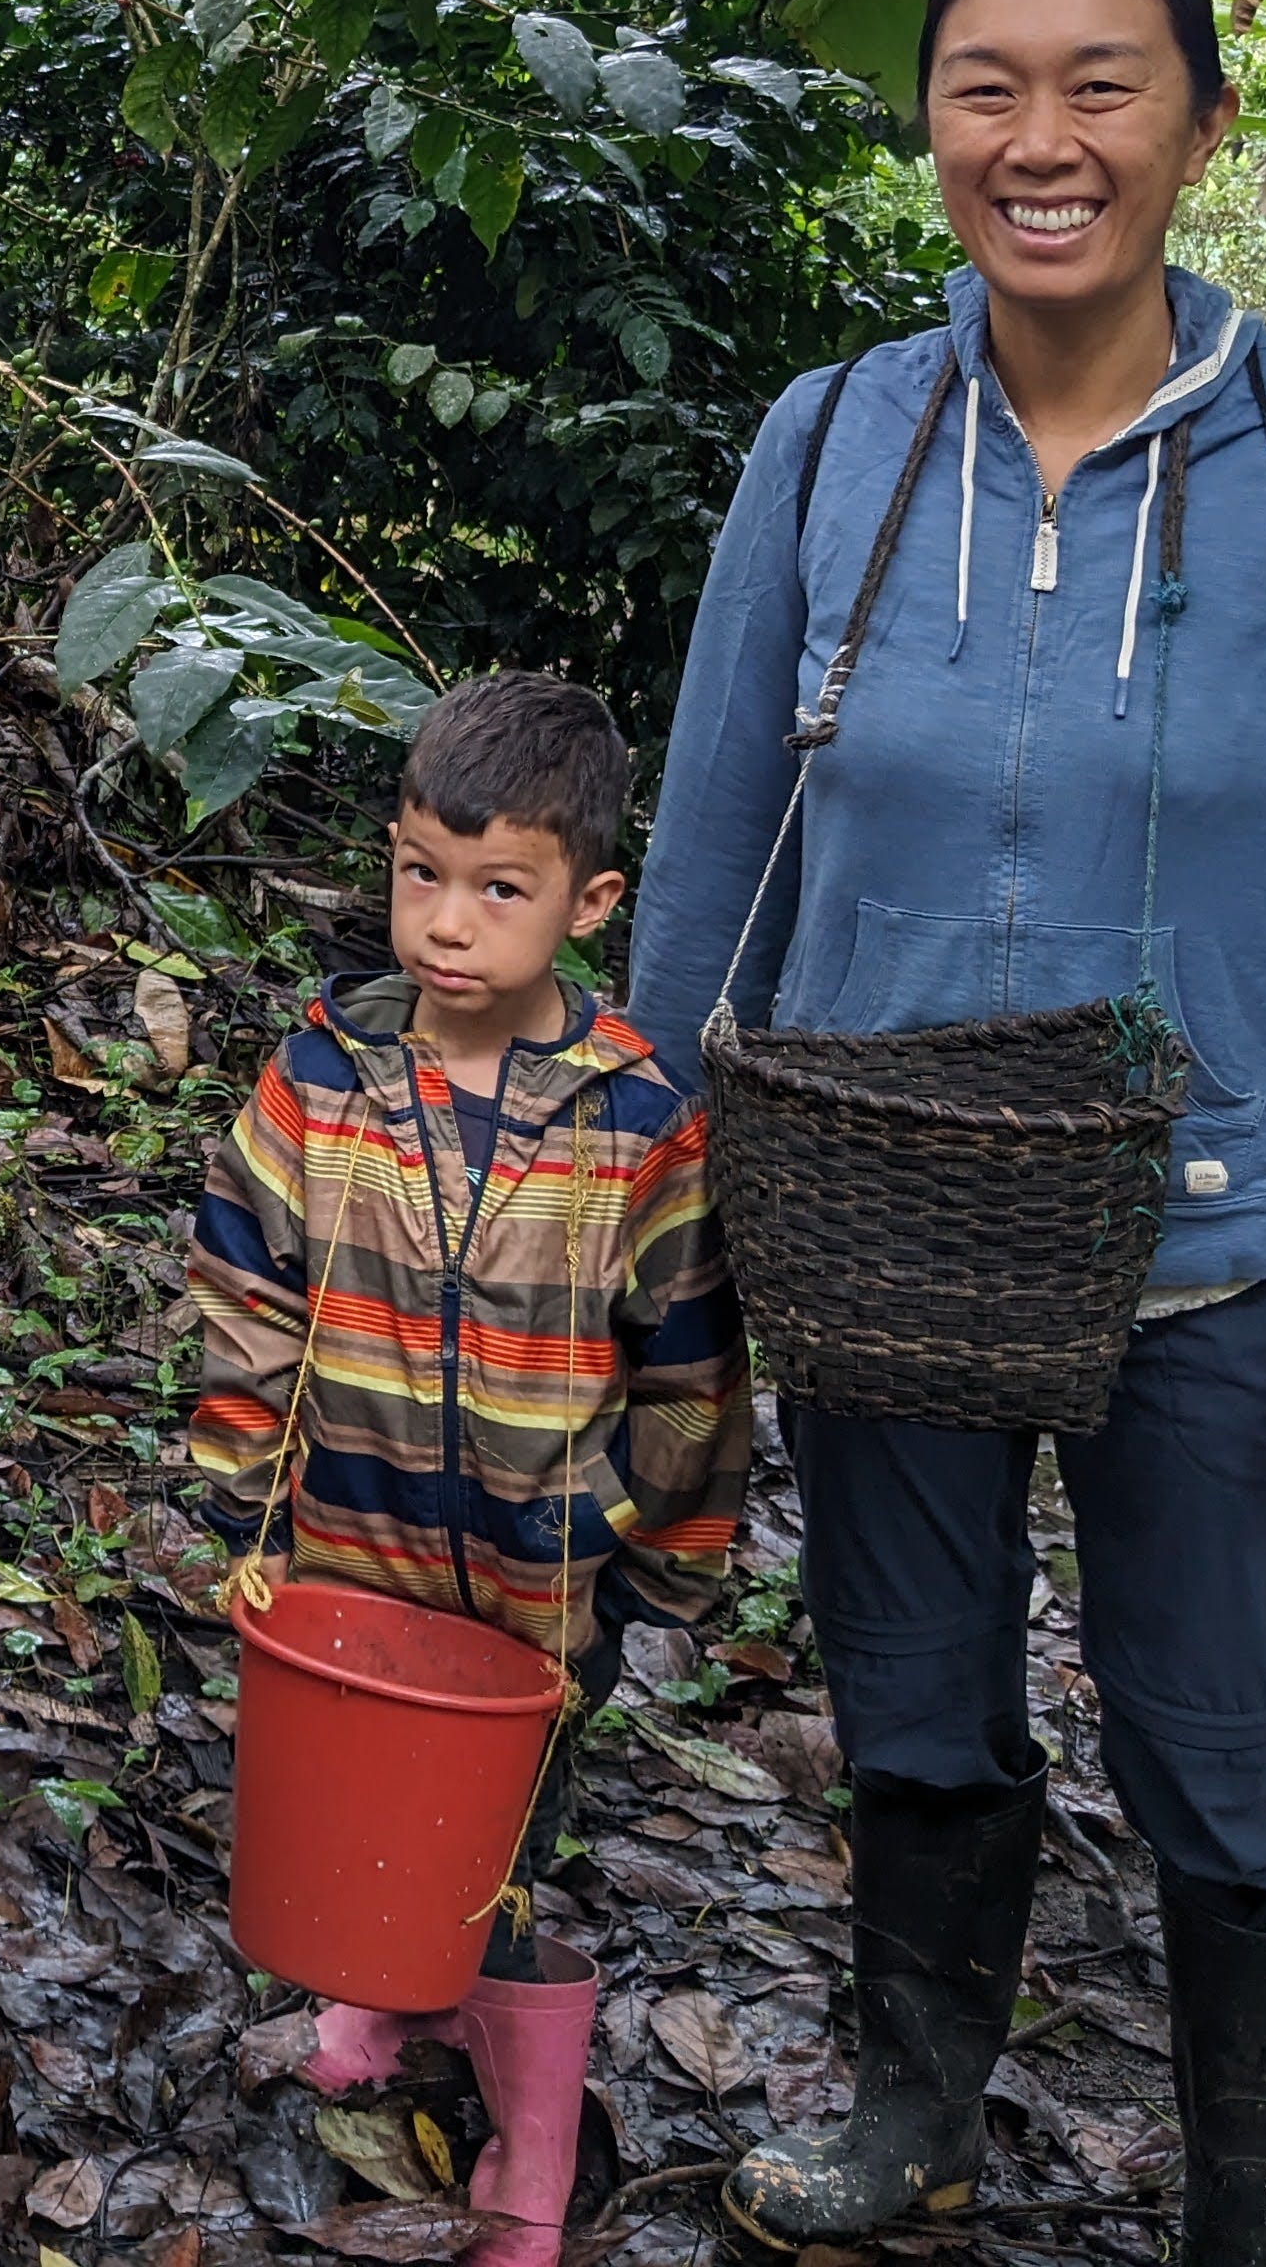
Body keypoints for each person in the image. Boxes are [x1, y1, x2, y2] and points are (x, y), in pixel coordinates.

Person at [627, 0, 1266, 2267]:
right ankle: (914, 2109)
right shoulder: (838, 436)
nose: (1044, 139)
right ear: (929, 129)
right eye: (987, 88)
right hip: (873, 1228)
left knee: (1220, 1757)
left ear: (1199, 128)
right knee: (913, 1710)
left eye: (1103, 85)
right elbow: (709, 860)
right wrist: (649, 1219)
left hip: (1224, 1248)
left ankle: (1242, 2205)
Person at [192, 672, 745, 2267]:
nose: (447, 923)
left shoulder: (637, 1118)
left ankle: (533, 2138)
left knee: (498, 1855)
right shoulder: (327, 1071)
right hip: (354, 1535)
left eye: (501, 890)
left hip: (539, 1577)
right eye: (422, 874)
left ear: (591, 903)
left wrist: (651, 1555)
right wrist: (243, 1486)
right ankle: (378, 2002)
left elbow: (693, 1359)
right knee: (372, 1793)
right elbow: (245, 1274)